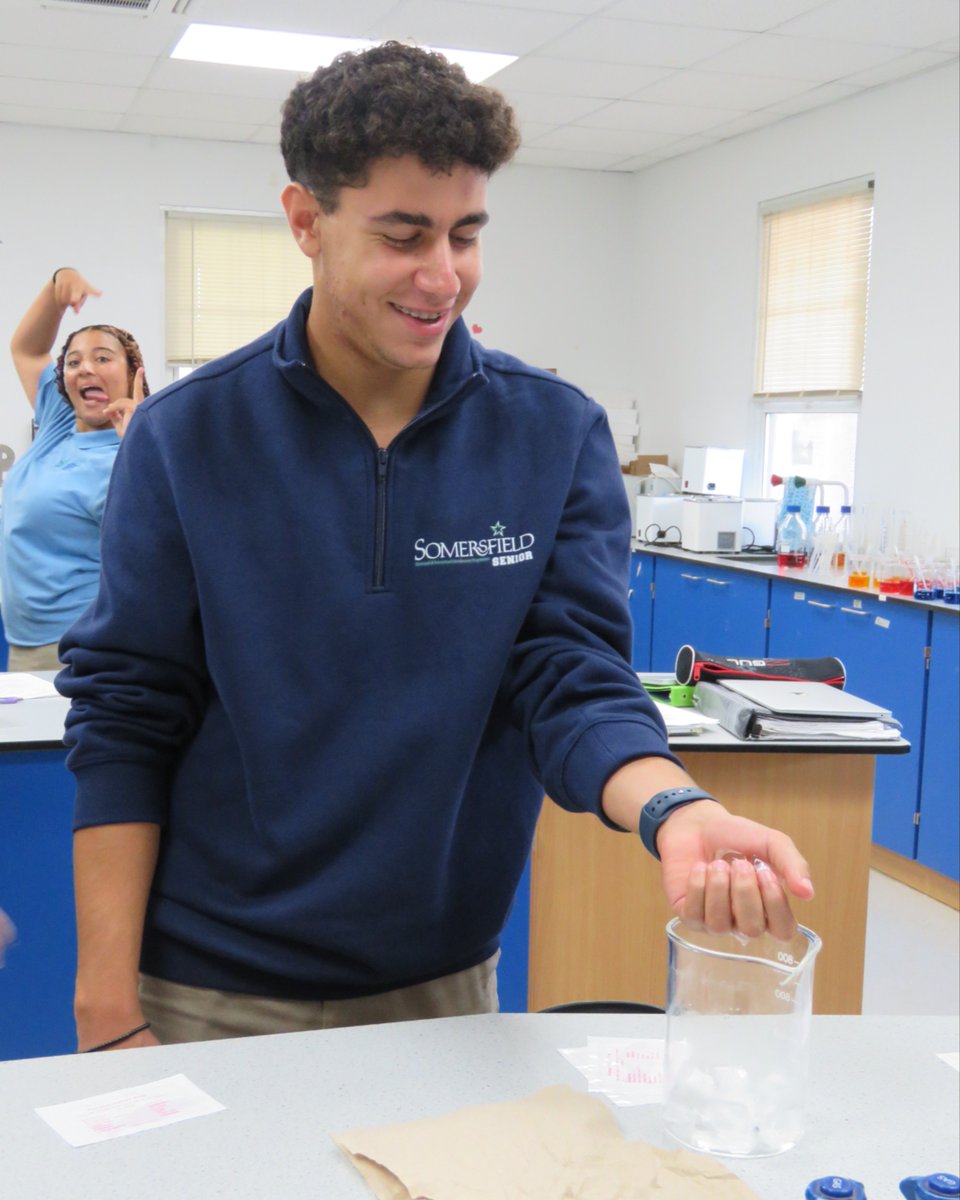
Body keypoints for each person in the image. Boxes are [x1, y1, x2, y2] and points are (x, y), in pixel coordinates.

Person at [56, 42, 813, 1055]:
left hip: (443, 985)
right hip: (210, 987)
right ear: (306, 222)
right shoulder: (185, 436)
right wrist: (106, 1008)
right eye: (403, 235)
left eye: (465, 234)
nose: (443, 275)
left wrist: (675, 808)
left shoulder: (553, 433)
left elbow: (569, 678)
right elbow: (127, 715)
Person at [1, 269, 148, 671]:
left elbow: (160, 550)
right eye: (74, 361)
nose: (85, 368)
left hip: (87, 644)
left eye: (102, 358)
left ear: (134, 371)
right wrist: (57, 286)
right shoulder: (58, 420)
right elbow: (27, 350)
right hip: (24, 643)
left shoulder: (144, 448)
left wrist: (140, 445)